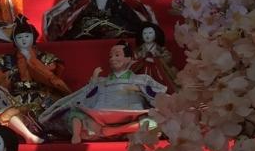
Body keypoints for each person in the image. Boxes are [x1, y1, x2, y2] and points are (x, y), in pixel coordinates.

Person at [36, 42, 166, 143]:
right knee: (75, 114)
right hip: (101, 120)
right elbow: (84, 99)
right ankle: (120, 133)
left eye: (117, 55)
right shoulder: (101, 81)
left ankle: (114, 131)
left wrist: (163, 107)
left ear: (129, 59)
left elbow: (157, 97)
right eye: (110, 56)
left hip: (132, 118)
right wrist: (93, 81)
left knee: (155, 122)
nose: (112, 59)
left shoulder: (141, 79)